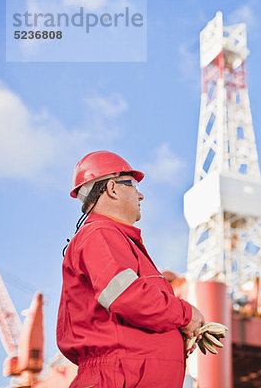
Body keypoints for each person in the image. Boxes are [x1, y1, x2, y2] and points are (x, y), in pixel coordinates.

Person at [57, 150, 205, 387]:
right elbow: (128, 297)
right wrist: (186, 315)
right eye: (133, 185)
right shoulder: (99, 235)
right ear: (113, 188)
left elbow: (132, 324)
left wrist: (178, 331)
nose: (141, 195)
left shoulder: (116, 241)